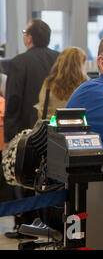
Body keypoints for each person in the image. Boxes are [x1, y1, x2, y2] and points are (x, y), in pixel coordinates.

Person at [3, 19, 59, 239]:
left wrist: (9, 136)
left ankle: (25, 226)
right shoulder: (58, 59)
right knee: (51, 178)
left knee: (24, 177)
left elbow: (14, 100)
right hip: (54, 132)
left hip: (27, 133)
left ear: (29, 37)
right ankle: (48, 222)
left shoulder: (19, 62)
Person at [36, 47, 89, 120]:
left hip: (52, 127)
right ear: (80, 65)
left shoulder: (48, 83)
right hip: (77, 128)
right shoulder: (85, 85)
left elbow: (42, 111)